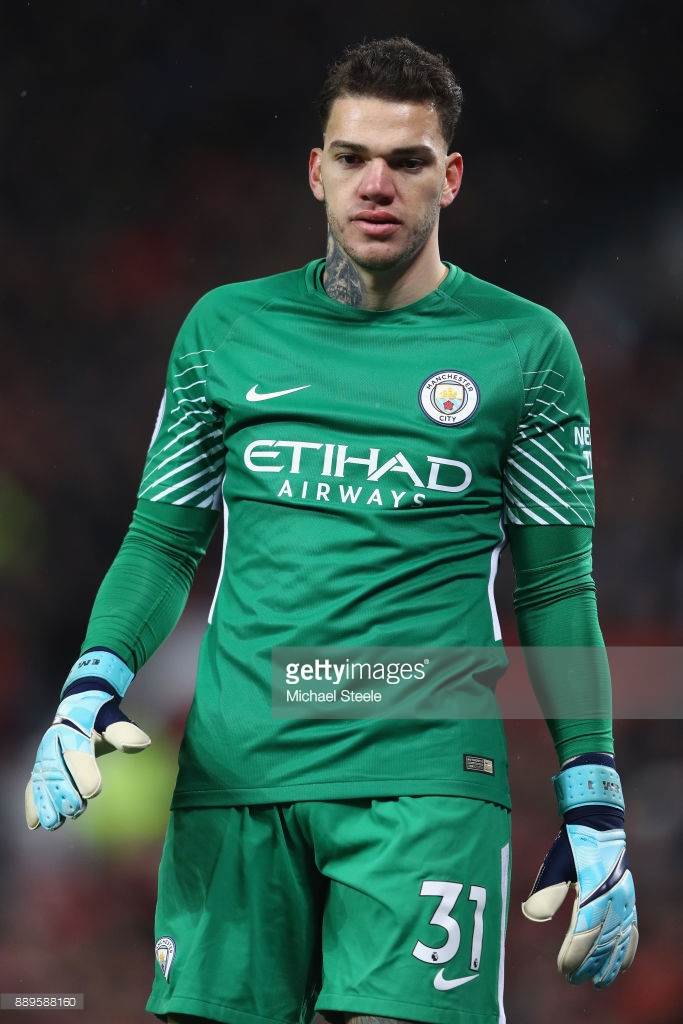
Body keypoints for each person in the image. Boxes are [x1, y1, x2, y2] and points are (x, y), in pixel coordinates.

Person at [26, 37, 638, 1024]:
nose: (376, 183)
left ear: (450, 176)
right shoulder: (223, 331)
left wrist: (594, 791)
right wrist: (89, 683)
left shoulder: (525, 349)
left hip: (422, 778)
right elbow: (159, 543)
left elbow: (555, 585)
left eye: (404, 160)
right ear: (316, 171)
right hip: (237, 768)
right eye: (352, 157)